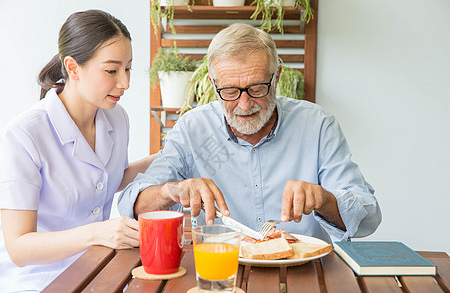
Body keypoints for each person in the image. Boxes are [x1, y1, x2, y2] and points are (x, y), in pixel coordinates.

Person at [118, 23, 381, 244]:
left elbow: (369, 217)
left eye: (257, 88)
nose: (245, 105)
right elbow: (130, 205)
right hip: (222, 272)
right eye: (230, 91)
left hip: (303, 272)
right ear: (213, 84)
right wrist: (171, 190)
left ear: (276, 76)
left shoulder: (318, 125)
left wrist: (324, 199)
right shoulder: (192, 129)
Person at [0, 10, 155, 292]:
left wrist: (167, 157)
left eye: (128, 68)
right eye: (112, 70)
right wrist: (97, 233)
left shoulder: (116, 118)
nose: (125, 83)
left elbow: (108, 178)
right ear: (73, 68)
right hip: (37, 281)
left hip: (96, 269)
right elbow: (19, 247)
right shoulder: (24, 135)